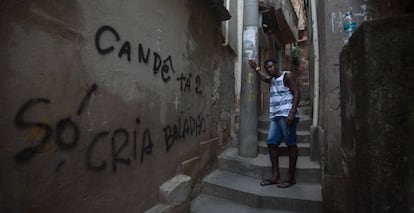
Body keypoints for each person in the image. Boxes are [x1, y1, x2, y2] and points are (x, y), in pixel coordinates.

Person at [248, 59, 301, 188]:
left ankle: (291, 178)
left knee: (291, 144)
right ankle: (276, 176)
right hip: (276, 116)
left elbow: (297, 93)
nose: (269, 69)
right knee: (271, 143)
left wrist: (292, 113)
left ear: (276, 65)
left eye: (271, 67)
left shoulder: (287, 76)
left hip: (287, 115)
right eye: (267, 68)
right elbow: (264, 78)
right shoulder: (271, 80)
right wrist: (256, 69)